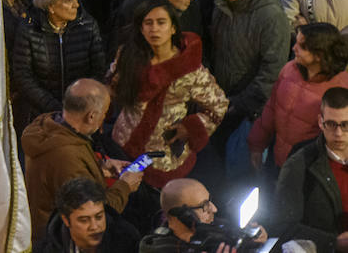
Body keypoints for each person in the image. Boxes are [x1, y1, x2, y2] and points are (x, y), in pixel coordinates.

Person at [110, 0, 227, 188]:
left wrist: (189, 128)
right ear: (141, 29)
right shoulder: (128, 56)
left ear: (173, 28)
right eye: (148, 23)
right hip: (122, 144)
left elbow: (219, 105)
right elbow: (112, 87)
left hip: (162, 158)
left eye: (161, 22)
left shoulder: (191, 71)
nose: (154, 29)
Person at [22, 79, 142, 239]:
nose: (104, 118)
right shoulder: (65, 156)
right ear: (91, 116)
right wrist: (125, 185)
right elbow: (96, 216)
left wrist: (99, 166)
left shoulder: (48, 126)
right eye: (105, 112)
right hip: (63, 240)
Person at [209, 0, 291, 174]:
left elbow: (271, 73)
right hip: (222, 102)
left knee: (240, 170)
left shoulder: (271, 17)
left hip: (249, 111)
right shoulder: (223, 4)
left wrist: (239, 104)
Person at [249, 22, 348, 168]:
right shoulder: (289, 69)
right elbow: (271, 108)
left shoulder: (341, 87)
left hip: (309, 169)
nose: (293, 48)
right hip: (277, 159)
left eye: (301, 46)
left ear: (319, 55)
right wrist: (257, 144)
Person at [12, 0, 107, 126]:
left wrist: (80, 105)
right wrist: (55, 108)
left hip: (82, 113)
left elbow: (98, 69)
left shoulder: (87, 26)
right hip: (41, 116)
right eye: (69, 0)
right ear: (50, 6)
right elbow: (23, 76)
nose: (76, 5)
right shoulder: (29, 30)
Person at [272, 86, 348, 249]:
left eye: (345, 125)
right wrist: (333, 243)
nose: (339, 133)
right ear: (320, 122)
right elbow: (284, 226)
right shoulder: (298, 165)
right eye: (331, 124)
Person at [142, 177, 265, 251]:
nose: (214, 209)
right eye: (204, 206)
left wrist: (253, 239)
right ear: (182, 215)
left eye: (210, 201)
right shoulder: (160, 249)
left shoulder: (212, 227)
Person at [35, 178, 140, 253]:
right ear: (66, 220)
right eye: (84, 220)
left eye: (99, 217)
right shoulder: (47, 249)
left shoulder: (127, 242)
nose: (94, 227)